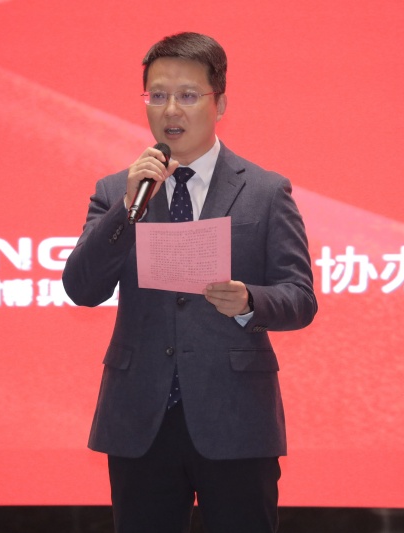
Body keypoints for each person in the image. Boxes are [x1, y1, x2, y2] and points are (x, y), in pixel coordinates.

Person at [63, 32, 317, 533]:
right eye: (157, 95)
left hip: (236, 416)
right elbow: (82, 288)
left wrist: (249, 300)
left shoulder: (265, 191)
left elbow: (300, 298)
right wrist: (126, 208)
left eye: (187, 95)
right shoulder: (118, 190)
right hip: (141, 417)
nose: (171, 110)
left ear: (219, 103)